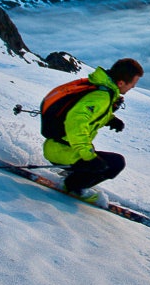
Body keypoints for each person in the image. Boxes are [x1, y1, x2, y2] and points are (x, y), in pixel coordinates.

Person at [43, 58, 144, 204]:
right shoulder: (101, 97)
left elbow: (88, 113)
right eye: (133, 84)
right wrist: (89, 156)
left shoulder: (101, 88)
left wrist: (110, 119)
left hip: (61, 146)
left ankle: (74, 174)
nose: (133, 87)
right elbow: (75, 122)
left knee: (104, 162)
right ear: (121, 83)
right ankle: (72, 186)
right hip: (62, 150)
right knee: (115, 164)